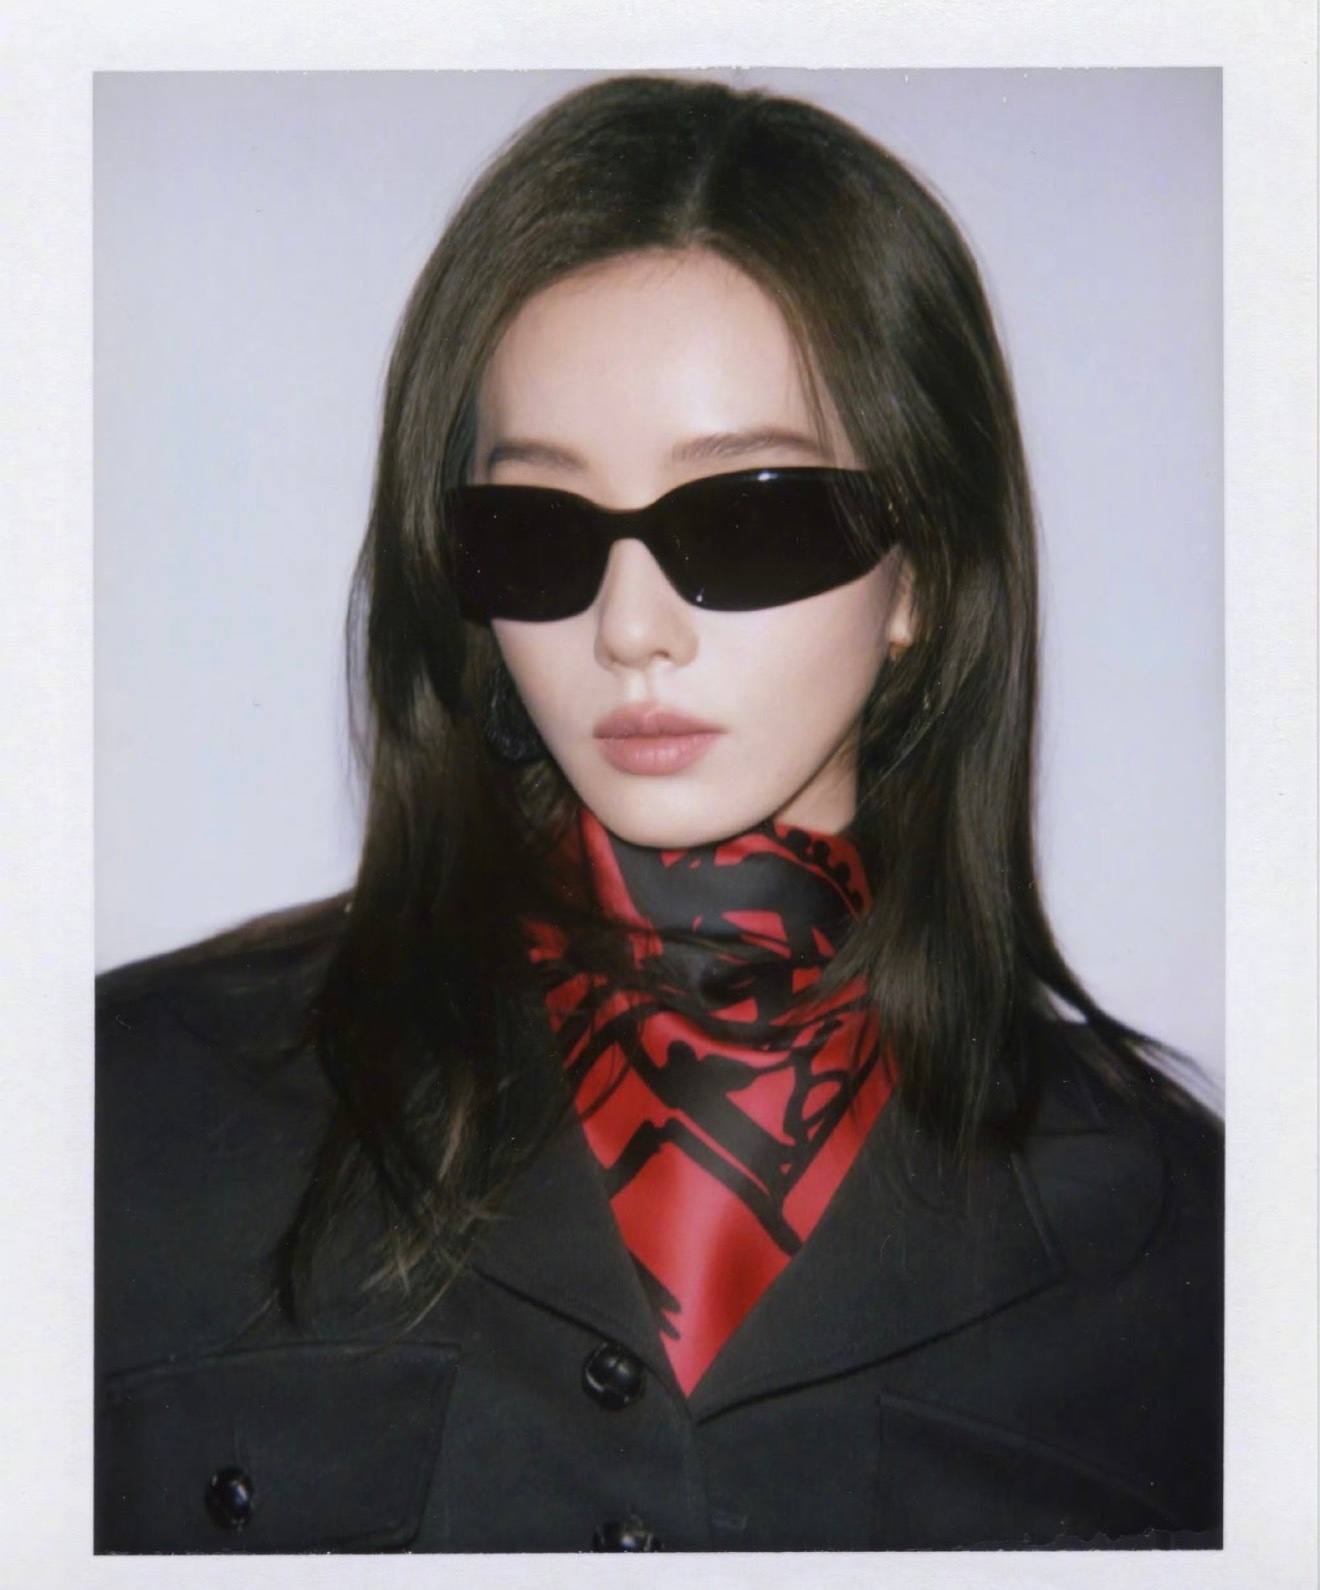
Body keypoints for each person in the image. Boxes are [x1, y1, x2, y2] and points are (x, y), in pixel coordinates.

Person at [95, 74, 1223, 1554]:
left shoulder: (1191, 1254)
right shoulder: (117, 1117)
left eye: (746, 514)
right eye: (537, 528)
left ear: (926, 574)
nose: (629, 628)